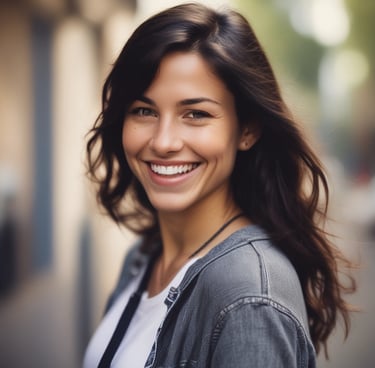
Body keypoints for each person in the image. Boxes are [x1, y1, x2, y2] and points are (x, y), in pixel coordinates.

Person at [83, 3, 355, 367]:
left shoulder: (250, 297)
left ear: (247, 129)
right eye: (144, 111)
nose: (164, 142)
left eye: (196, 114)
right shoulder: (144, 257)